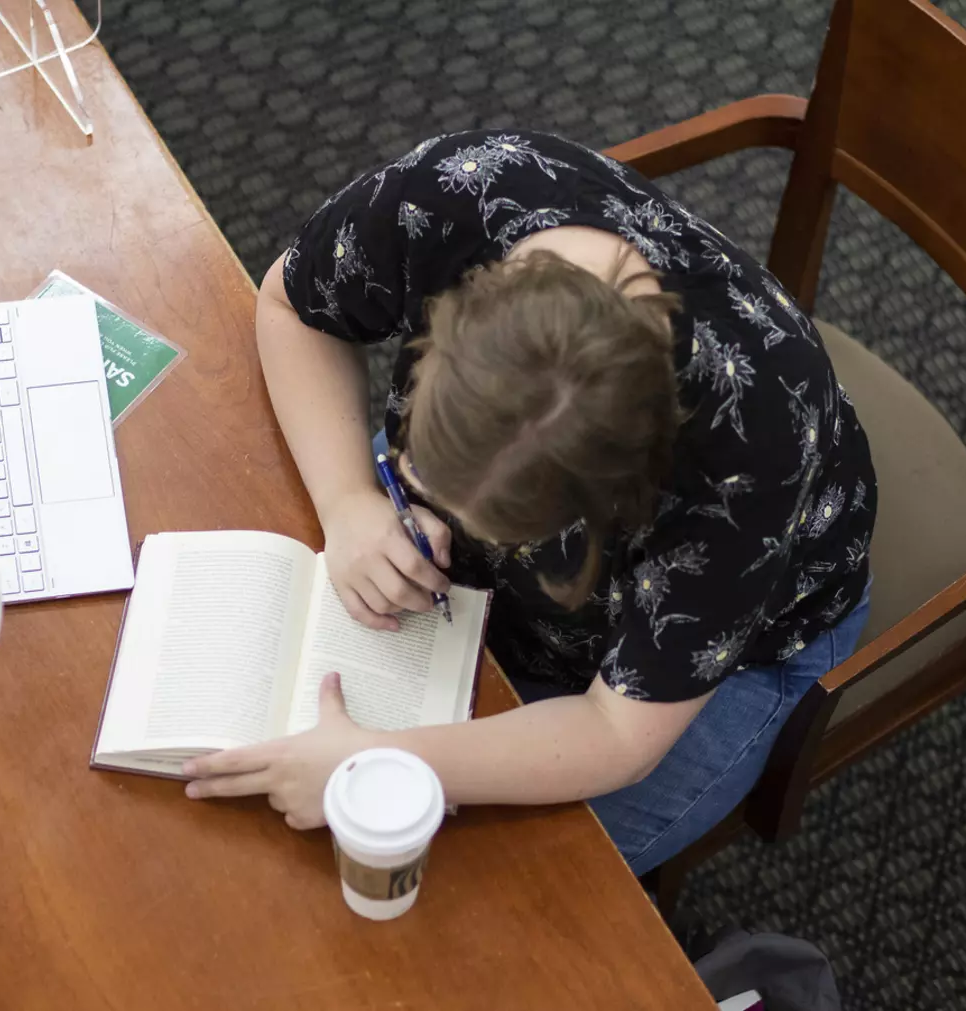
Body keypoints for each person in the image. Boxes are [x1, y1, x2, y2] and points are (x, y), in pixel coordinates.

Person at [184, 129, 877, 876]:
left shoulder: (752, 437)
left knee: (470, 899)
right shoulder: (458, 197)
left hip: (737, 649)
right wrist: (352, 499)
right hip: (532, 610)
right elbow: (293, 304)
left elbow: (616, 735)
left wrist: (375, 761)